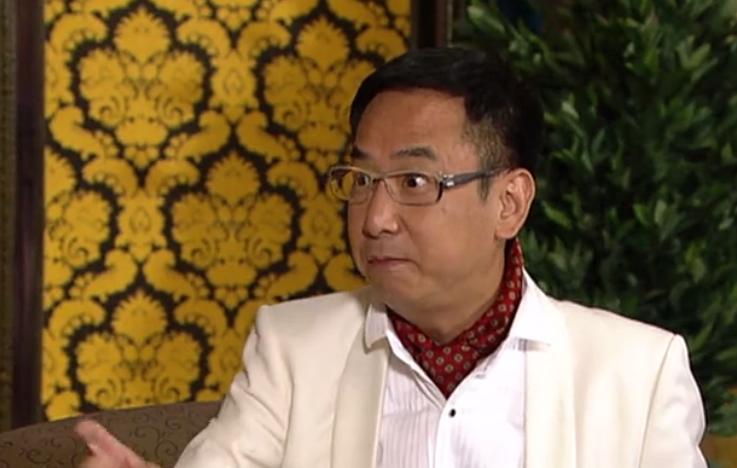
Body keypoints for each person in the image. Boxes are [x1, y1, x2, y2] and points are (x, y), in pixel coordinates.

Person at [76, 47, 706, 468]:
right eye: (361, 180)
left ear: (509, 203)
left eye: (414, 182)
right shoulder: (293, 351)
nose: (375, 218)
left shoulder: (637, 374)